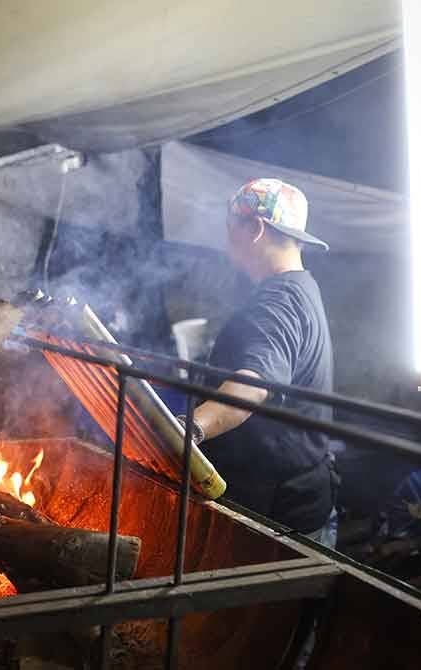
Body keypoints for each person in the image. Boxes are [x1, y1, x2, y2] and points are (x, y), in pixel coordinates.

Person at [180, 179, 338, 546]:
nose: (226, 238)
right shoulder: (302, 287)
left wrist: (188, 430)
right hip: (303, 500)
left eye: (230, 226)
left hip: (276, 519)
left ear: (255, 229)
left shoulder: (277, 303)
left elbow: (251, 386)